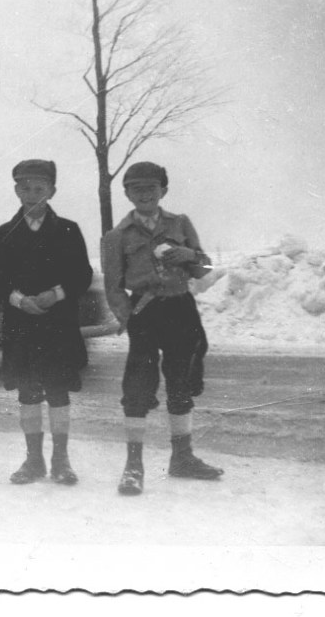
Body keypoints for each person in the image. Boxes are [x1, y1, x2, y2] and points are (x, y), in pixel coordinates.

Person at [101, 161, 223, 496]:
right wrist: (128, 318)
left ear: (163, 191)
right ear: (127, 194)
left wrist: (189, 254)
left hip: (181, 308)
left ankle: (182, 458)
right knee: (138, 386)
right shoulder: (116, 236)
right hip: (145, 311)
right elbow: (113, 286)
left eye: (151, 188)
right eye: (136, 189)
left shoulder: (180, 223)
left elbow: (205, 268)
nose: (144, 194)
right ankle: (133, 465)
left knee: (181, 380)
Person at [0, 160, 92, 486]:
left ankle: (61, 460)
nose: (32, 194)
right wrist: (18, 299)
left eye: (39, 188)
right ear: (17, 191)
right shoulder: (3, 234)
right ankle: (33, 460)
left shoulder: (69, 230)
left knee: (58, 391)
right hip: (21, 326)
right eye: (26, 188)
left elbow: (82, 274)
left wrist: (55, 294)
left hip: (58, 324)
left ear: (51, 191)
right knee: (28, 391)